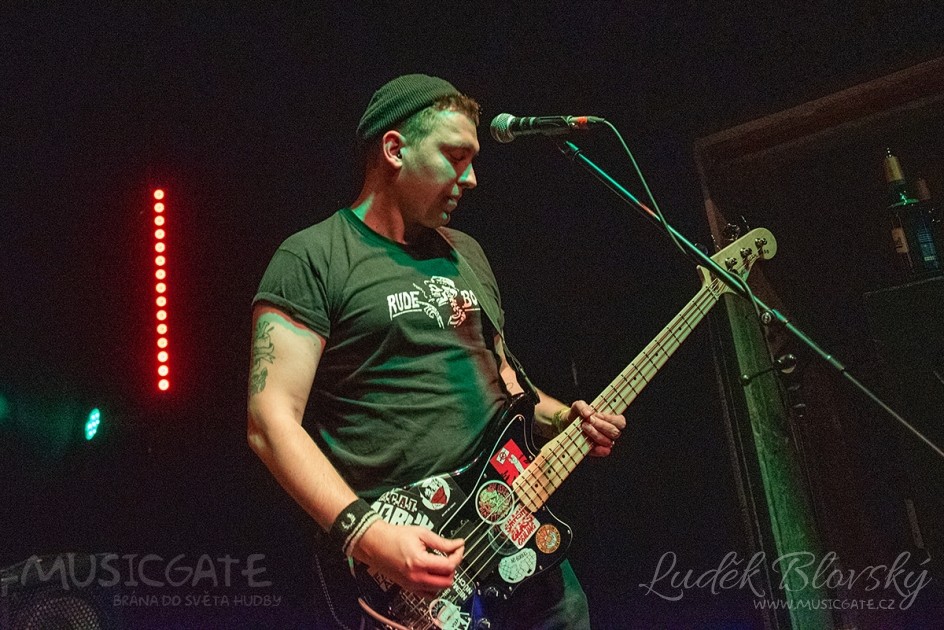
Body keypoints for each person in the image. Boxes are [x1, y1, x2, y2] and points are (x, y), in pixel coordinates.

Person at [247, 73, 625, 629]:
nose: (470, 179)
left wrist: (564, 419)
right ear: (394, 149)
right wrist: (369, 536)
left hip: (517, 537)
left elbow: (506, 383)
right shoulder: (313, 257)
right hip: (408, 564)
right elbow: (270, 420)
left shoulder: (466, 254)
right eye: (455, 156)